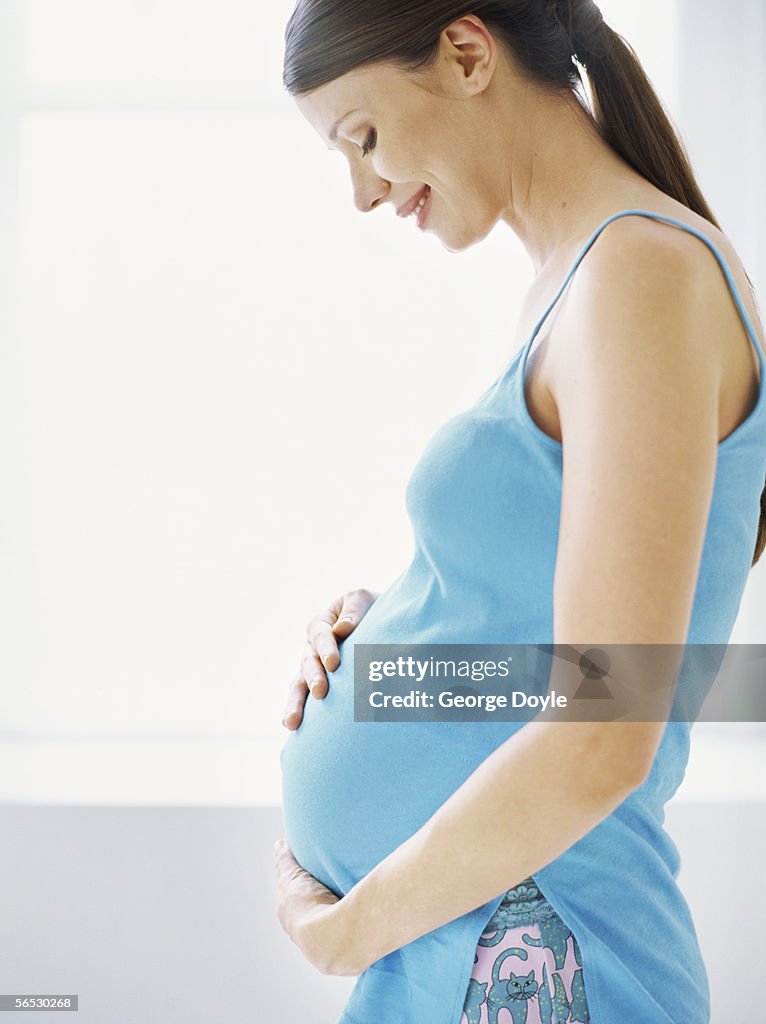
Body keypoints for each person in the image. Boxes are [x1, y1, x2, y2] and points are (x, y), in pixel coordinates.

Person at [273, 3, 766, 1022]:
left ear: (464, 53)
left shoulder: (641, 277)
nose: (361, 192)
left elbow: (607, 726)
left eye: (361, 137)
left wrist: (347, 928)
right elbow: (562, 661)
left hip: (552, 956)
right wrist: (398, 649)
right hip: (474, 948)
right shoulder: (581, 281)